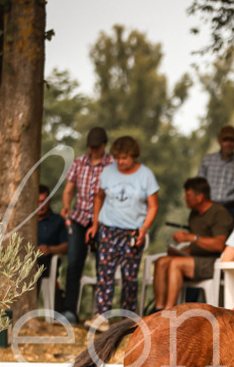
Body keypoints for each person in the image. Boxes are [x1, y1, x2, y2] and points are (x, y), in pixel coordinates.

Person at [85, 135, 159, 333]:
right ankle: (101, 316)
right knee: (105, 274)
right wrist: (95, 224)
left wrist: (144, 228)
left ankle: (128, 319)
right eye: (118, 158)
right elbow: (99, 198)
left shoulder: (145, 175)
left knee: (130, 277)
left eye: (125, 158)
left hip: (133, 231)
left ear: (133, 156)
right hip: (109, 229)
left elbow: (153, 206)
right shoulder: (108, 172)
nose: (121, 162)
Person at [152, 176, 233, 311]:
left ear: (199, 197)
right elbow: (198, 246)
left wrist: (191, 237)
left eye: (188, 195)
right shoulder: (193, 215)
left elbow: (219, 245)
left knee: (175, 264)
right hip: (196, 260)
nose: (185, 198)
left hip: (216, 262)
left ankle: (169, 311)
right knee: (162, 261)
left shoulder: (219, 213)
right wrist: (180, 252)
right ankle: (158, 309)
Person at [61, 127, 114, 324]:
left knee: (103, 266)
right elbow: (69, 190)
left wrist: (98, 222)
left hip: (103, 221)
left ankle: (101, 313)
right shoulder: (79, 163)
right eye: (90, 147)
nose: (93, 151)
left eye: (97, 148)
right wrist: (66, 206)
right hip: (79, 218)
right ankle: (70, 311)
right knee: (74, 264)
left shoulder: (112, 165)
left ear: (104, 146)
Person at [198, 125, 234, 224]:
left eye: (232, 140)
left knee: (228, 239)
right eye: (225, 140)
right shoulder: (207, 161)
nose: (229, 144)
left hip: (231, 210)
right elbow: (198, 188)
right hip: (209, 208)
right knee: (204, 238)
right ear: (219, 141)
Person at [36, 183, 69, 290]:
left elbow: (66, 246)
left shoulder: (58, 221)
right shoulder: (25, 221)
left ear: (49, 201)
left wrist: (49, 249)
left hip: (47, 263)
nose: (41, 205)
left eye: (43, 201)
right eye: (38, 202)